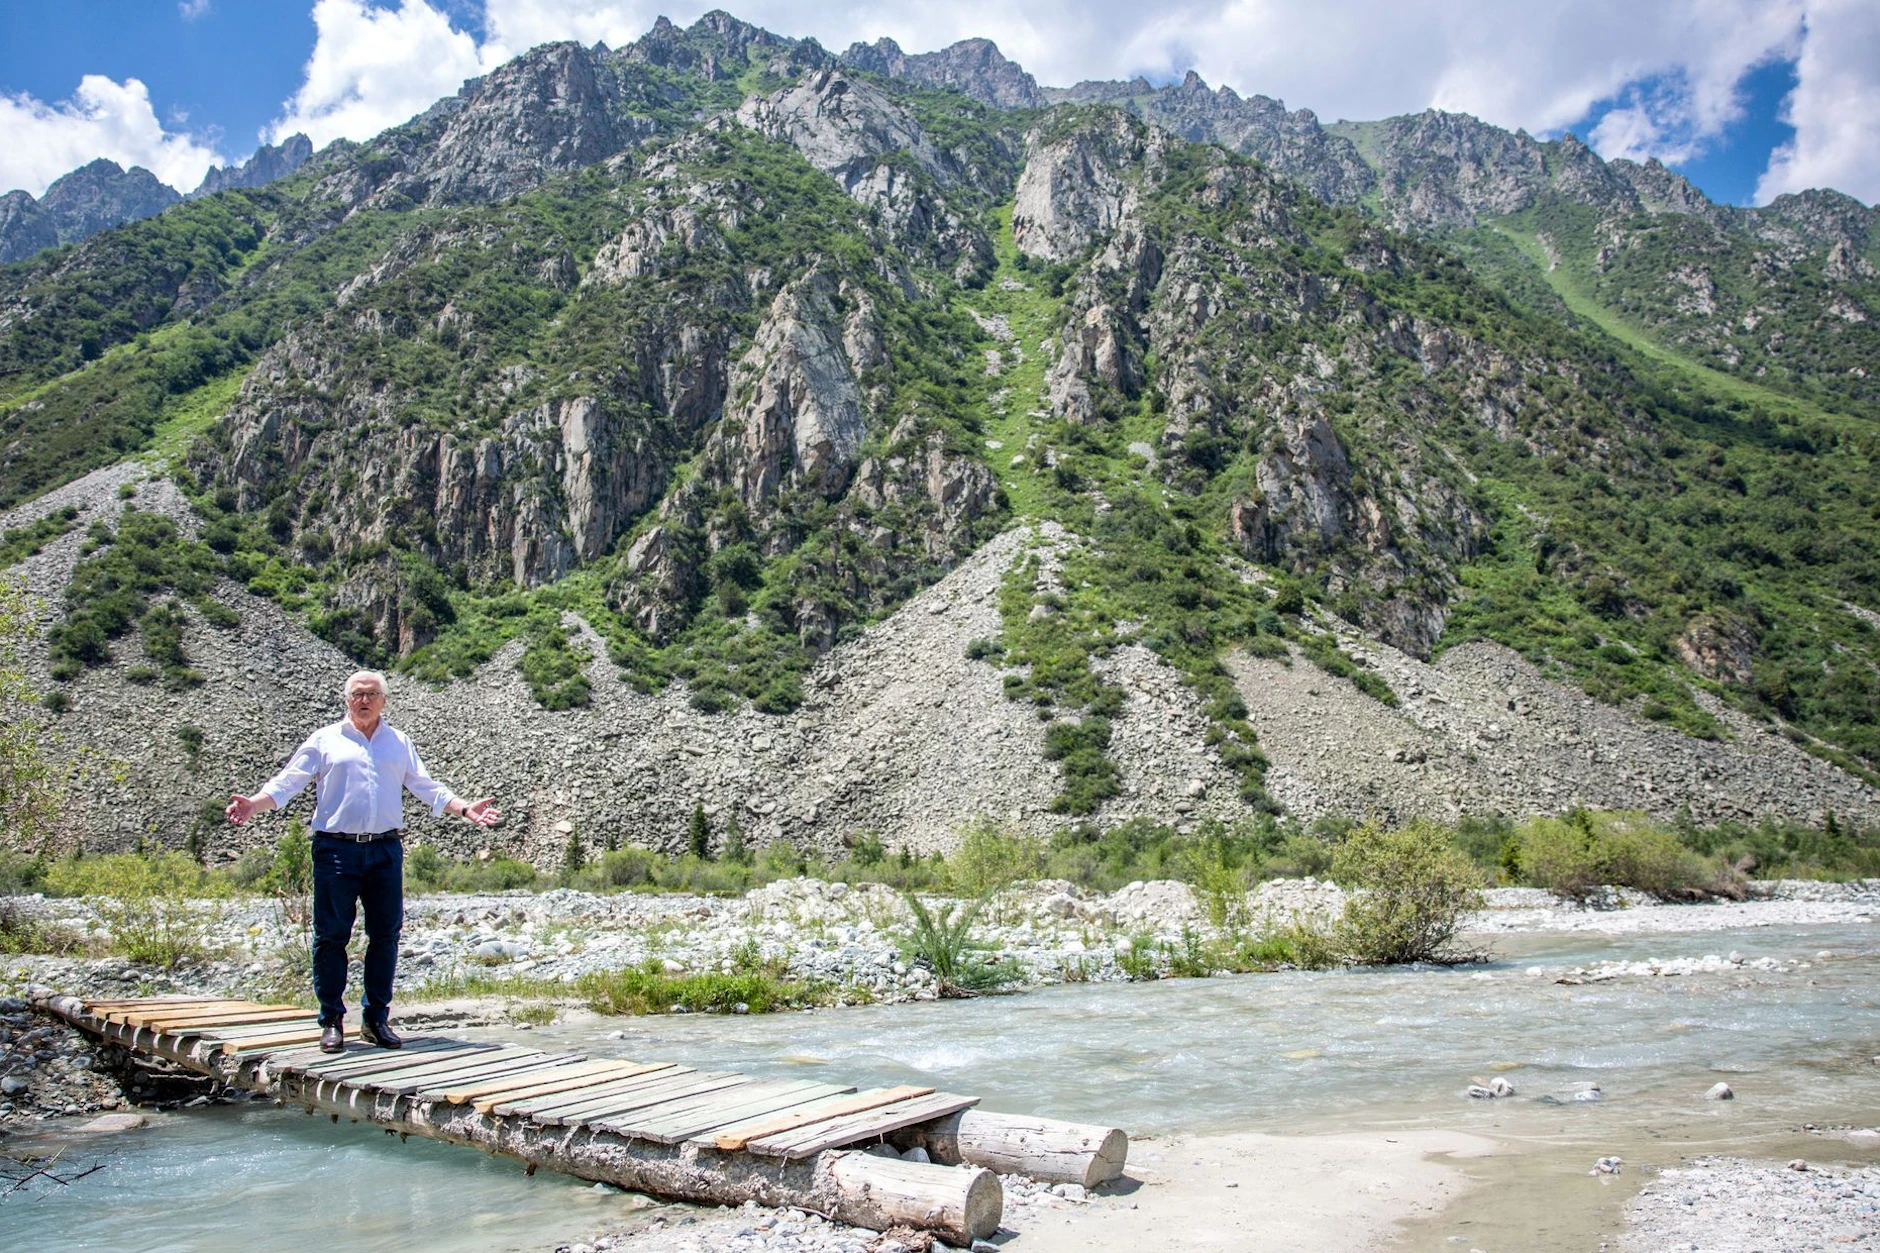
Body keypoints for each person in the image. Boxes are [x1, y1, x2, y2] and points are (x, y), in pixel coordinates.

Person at [226, 670, 499, 1052]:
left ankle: (375, 1020)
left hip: (385, 850)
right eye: (357, 694)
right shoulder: (325, 740)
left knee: (385, 935)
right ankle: (332, 1021)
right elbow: (289, 781)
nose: (364, 700)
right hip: (336, 849)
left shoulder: (398, 742)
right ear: (347, 700)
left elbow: (425, 785)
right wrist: (254, 804)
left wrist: (464, 808)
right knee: (331, 936)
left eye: (372, 694)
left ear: (384, 700)